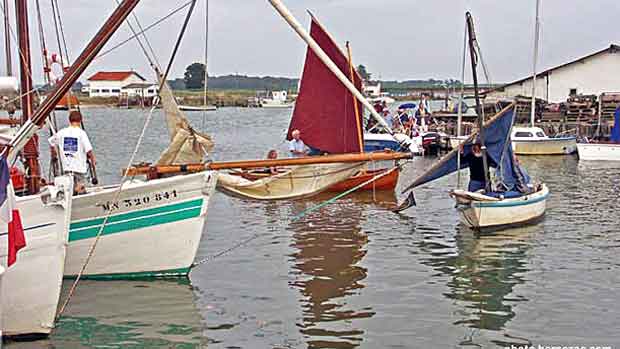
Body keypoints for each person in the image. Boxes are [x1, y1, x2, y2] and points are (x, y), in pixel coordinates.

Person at [48, 110, 96, 194]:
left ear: (69, 120)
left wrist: (54, 153)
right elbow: (89, 150)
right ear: (80, 120)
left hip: (67, 168)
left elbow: (51, 142)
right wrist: (93, 161)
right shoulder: (81, 133)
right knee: (80, 188)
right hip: (79, 168)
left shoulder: (62, 132)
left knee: (70, 189)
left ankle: (74, 193)